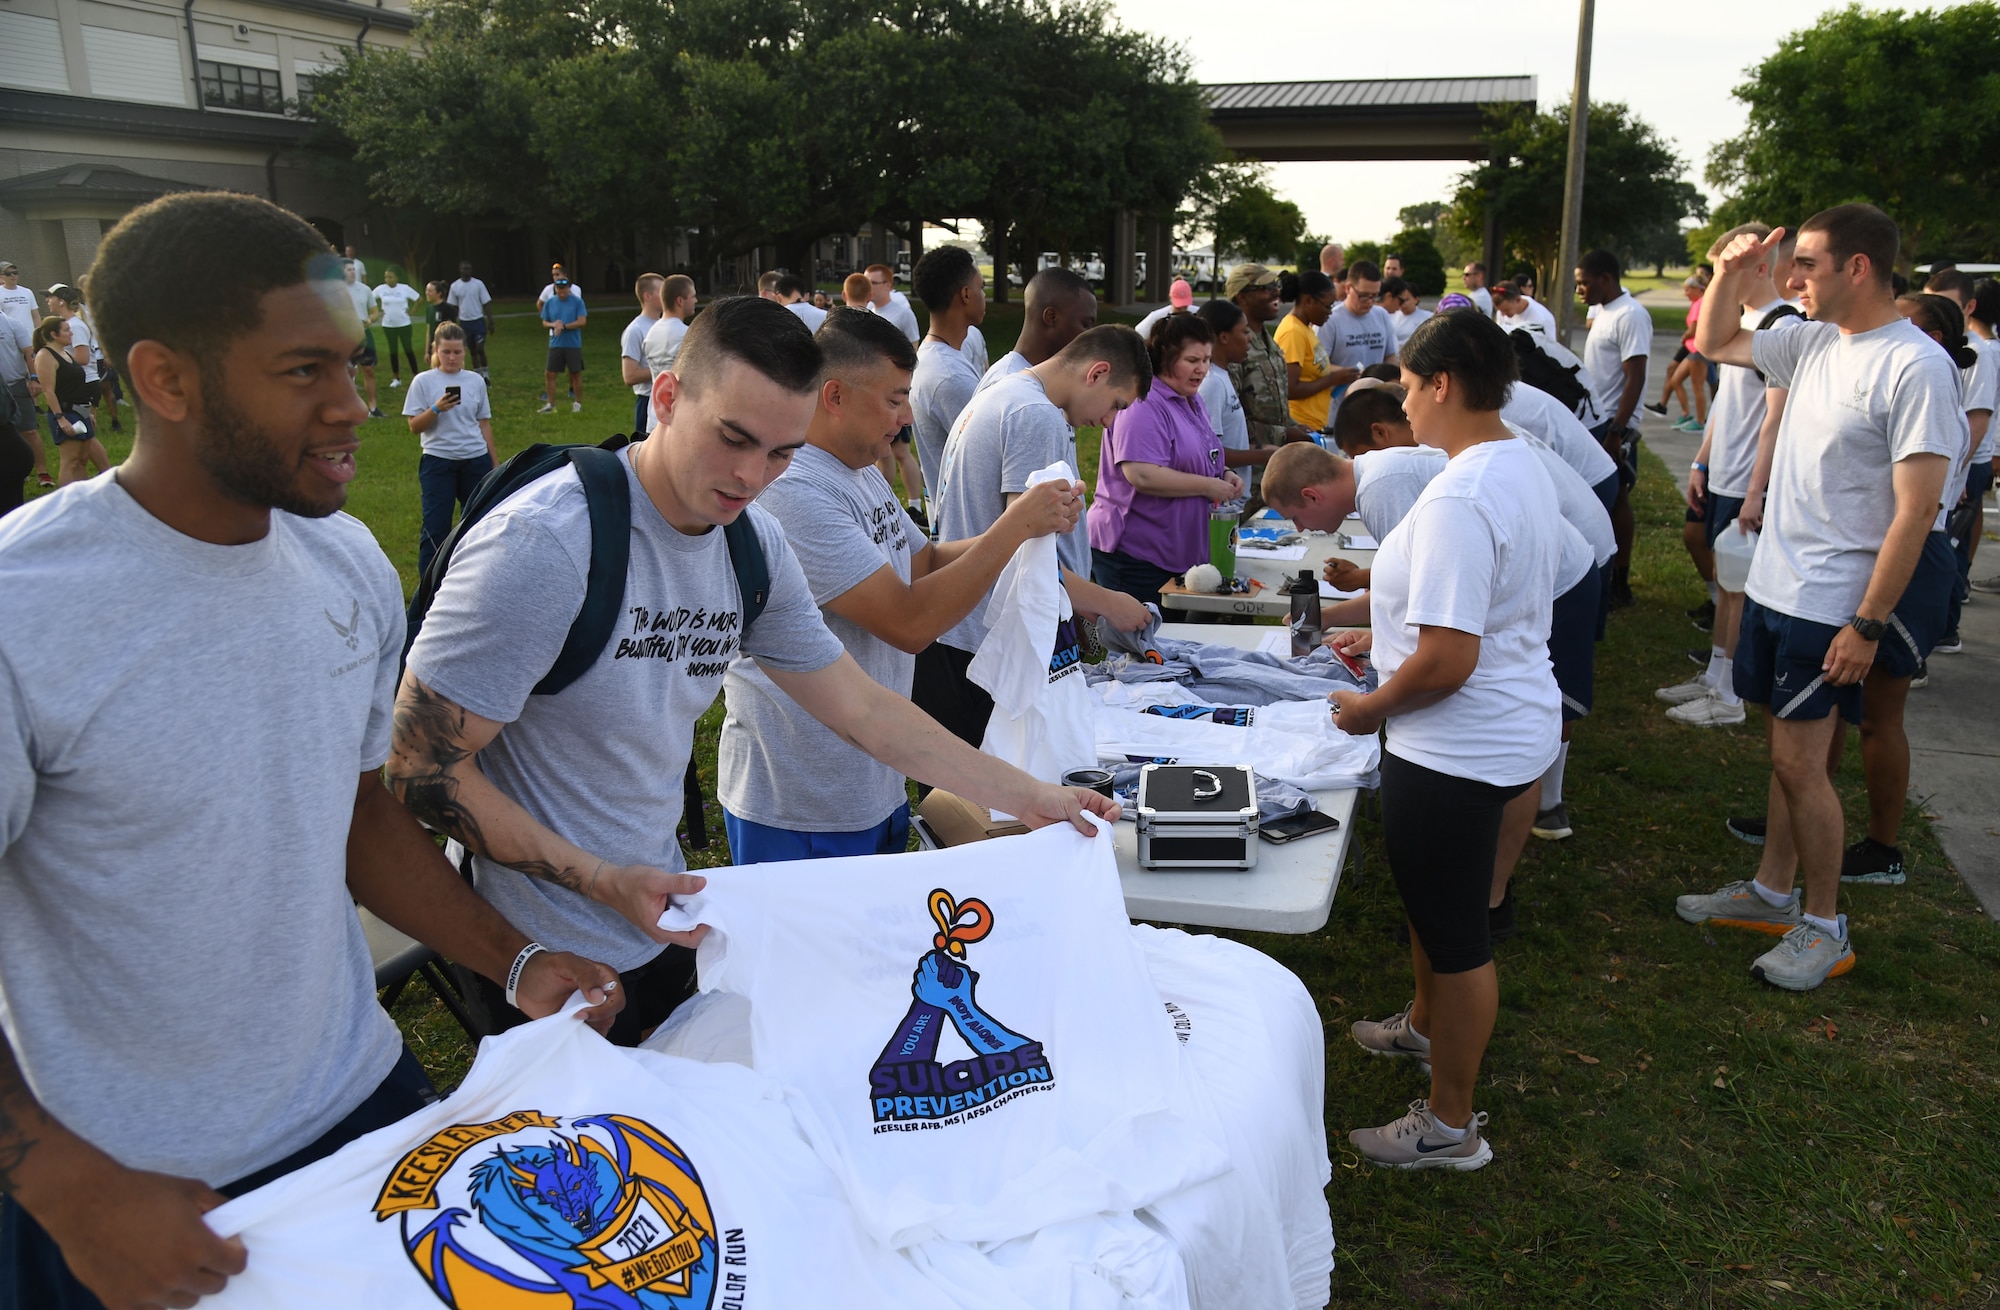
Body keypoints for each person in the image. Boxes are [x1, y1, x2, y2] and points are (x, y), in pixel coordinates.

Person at [0, 190, 621, 1310]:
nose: (353, 407)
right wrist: (63, 1184)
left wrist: (512, 956)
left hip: (361, 1098)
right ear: (165, 379)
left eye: (348, 364)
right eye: (303, 373)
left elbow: (358, 815)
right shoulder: (24, 609)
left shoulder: (346, 562)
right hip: (130, 1186)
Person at [390, 296, 1118, 1040]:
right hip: (534, 953)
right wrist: (599, 884)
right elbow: (417, 769)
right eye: (733, 438)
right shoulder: (545, 544)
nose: (751, 476)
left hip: (661, 919)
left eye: (781, 452)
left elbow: (862, 709)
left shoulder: (752, 543)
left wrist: (1032, 798)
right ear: (666, 398)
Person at [1678, 208, 1957, 991]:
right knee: (1784, 754)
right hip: (1776, 581)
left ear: (1859, 268)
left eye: (1805, 264)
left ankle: (1825, 925)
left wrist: (1866, 623)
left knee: (1802, 765)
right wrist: (1734, 264)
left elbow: (1917, 511)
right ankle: (1771, 891)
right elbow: (1715, 343)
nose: (1792, 279)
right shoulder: (1811, 341)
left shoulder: (1913, 366)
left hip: (1831, 600)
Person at [718, 309, 1088, 862]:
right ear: (835, 395)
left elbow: (923, 561)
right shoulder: (796, 492)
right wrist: (1016, 525)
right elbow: (908, 623)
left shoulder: (860, 467)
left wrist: (1026, 531)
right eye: (893, 399)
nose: (906, 416)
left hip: (876, 773)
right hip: (802, 800)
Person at [1327, 309, 1563, 1170]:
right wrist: (1384, 634)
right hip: (1499, 728)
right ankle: (1426, 1028)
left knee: (1458, 933)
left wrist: (1371, 706)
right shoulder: (1511, 458)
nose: (1396, 400)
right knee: (1438, 907)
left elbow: (1450, 658)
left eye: (1405, 381)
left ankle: (1449, 1126)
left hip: (1456, 746)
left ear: (1444, 384)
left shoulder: (1465, 491)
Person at [921, 325, 1154, 745]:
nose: (1108, 422)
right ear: (1097, 372)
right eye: (1116, 405)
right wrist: (1109, 603)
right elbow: (1024, 558)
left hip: (955, 629)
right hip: (986, 645)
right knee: (989, 802)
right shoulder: (1037, 416)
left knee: (955, 796)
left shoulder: (1004, 389)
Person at [1659, 222, 1799, 729]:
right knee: (1725, 581)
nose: (1719, 285)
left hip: (1748, 483)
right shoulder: (1739, 323)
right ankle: (1716, 676)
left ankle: (1731, 695)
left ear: (1760, 268)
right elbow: (1723, 404)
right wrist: (1701, 459)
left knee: (1738, 590)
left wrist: (1756, 491)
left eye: (1728, 273)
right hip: (1723, 474)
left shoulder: (1782, 327)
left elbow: (1775, 420)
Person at [1086, 314, 1243, 606]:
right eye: (1193, 360)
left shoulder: (1190, 398)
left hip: (1175, 551)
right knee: (1138, 647)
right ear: (1166, 357)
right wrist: (1208, 486)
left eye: (1207, 360)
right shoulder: (1144, 403)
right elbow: (1141, 474)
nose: (1202, 369)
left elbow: (1201, 454)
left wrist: (1225, 473)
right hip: (1136, 555)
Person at [1908, 268, 1995, 653]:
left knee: (1950, 547)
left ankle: (1943, 628)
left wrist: (1954, 480)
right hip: (1941, 479)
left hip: (1958, 473)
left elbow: (1977, 419)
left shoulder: (1976, 358)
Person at [1575, 248, 1653, 608]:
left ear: (1605, 278)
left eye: (1584, 283)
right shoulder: (1601, 310)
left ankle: (1621, 583)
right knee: (1597, 498)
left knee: (1618, 496)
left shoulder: (1631, 314)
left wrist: (1618, 431)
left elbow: (1635, 376)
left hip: (1614, 423)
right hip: (1596, 418)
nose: (1580, 290)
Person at [404, 321, 497, 579]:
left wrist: (494, 464)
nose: (452, 357)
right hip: (438, 461)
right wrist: (436, 409)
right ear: (435, 349)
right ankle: (430, 587)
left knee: (479, 525)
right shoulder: (423, 381)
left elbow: (484, 424)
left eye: (457, 352)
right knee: (436, 528)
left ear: (465, 351)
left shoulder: (475, 381)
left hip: (474, 459)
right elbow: (413, 426)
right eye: (446, 352)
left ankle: (476, 579)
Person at [909, 245, 987, 503]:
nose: (983, 295)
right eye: (981, 287)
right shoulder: (949, 377)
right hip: (969, 527)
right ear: (966, 294)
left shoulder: (935, 359)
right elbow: (987, 457)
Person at [1226, 262, 1314, 456]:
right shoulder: (1232, 348)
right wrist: (1285, 434)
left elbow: (1276, 408)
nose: (1276, 292)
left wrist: (1296, 427)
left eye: (1276, 286)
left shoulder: (1270, 344)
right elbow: (1230, 420)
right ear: (1242, 297)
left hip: (1277, 462)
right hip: (1249, 469)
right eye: (1266, 288)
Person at [1194, 297, 1272, 502]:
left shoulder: (1221, 376)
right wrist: (1263, 456)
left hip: (1233, 498)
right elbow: (1210, 453)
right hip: (1221, 502)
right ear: (1224, 337)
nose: (1250, 338)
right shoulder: (1212, 384)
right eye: (1245, 331)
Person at [975, 265, 1097, 395]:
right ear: (1051, 317)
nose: (1091, 335)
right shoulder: (1009, 386)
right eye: (1086, 324)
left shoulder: (1044, 380)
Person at [31, 316, 110, 486]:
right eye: (66, 330)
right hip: (66, 413)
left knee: (82, 460)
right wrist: (60, 418)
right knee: (71, 461)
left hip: (81, 412)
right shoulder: (45, 356)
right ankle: (66, 501)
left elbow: (77, 385)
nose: (71, 333)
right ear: (53, 334)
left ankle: (81, 498)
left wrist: (88, 413)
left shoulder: (66, 353)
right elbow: (48, 391)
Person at [1960, 278, 2000, 604]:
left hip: (1981, 450)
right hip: (1985, 449)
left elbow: (1987, 411)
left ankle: (1960, 581)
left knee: (1966, 519)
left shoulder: (1982, 353)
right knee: (1974, 516)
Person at [1316, 259, 1400, 414]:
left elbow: (1390, 356)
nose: (1369, 302)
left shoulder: (1381, 315)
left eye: (1374, 296)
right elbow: (1317, 365)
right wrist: (1349, 373)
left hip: (1376, 404)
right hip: (1339, 407)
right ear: (1348, 288)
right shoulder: (1330, 320)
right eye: (1363, 296)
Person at [1274, 269, 1340, 432]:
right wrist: (1332, 380)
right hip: (1300, 426)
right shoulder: (1293, 332)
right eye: (1327, 306)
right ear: (1309, 301)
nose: (1330, 312)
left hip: (1314, 425)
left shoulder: (1306, 328)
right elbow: (1290, 389)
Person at [1645, 276, 1710, 433]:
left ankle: (1701, 422)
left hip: (1697, 349)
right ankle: (1686, 414)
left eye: (1688, 289)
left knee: (1697, 387)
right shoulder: (1697, 303)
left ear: (1698, 289)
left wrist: (1684, 337)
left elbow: (1694, 329)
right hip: (1692, 349)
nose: (1685, 293)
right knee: (1675, 380)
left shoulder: (1700, 303)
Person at [640, 275, 698, 434]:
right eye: (693, 296)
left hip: (654, 414)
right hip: (678, 418)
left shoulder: (651, 333)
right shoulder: (686, 335)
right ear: (680, 300)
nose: (696, 300)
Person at [0, 296, 47, 490]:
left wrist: (34, 378)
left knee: (28, 430)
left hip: (16, 384)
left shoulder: (11, 324)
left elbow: (29, 352)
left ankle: (42, 472)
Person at [622, 272, 667, 436]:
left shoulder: (664, 326)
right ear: (647, 296)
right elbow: (629, 376)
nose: (666, 296)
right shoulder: (635, 330)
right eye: (662, 291)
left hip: (667, 398)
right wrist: (665, 368)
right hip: (647, 400)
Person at [539, 276, 587, 414]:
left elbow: (582, 321)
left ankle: (577, 403)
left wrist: (565, 326)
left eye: (564, 289)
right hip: (555, 343)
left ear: (568, 289)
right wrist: (553, 324)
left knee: (575, 373)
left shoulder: (577, 302)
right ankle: (550, 403)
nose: (562, 292)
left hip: (572, 344)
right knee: (550, 373)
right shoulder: (550, 302)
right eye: (559, 290)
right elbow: (544, 322)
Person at [342, 258, 383, 418]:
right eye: (348, 269)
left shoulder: (365, 290)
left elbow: (374, 312)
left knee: (369, 370)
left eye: (353, 269)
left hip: (364, 334)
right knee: (346, 372)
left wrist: (370, 320)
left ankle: (373, 408)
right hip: (344, 336)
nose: (352, 272)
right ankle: (348, 406)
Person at [371, 269, 422, 387]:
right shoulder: (381, 289)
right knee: (393, 351)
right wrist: (377, 312)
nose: (388, 279)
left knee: (408, 350)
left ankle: (417, 376)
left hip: (404, 324)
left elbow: (419, 299)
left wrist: (413, 311)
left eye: (390, 277)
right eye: (386, 277)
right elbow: (370, 299)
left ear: (397, 278)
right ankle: (396, 378)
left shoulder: (404, 288)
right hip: (388, 325)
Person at [448, 260, 494, 375]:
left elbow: (486, 303)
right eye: (465, 268)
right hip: (464, 322)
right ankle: (477, 374)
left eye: (469, 268)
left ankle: (486, 375)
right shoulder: (455, 286)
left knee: (480, 348)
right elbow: (454, 307)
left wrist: (491, 321)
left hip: (478, 321)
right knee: (472, 351)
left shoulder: (478, 284)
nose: (467, 271)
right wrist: (453, 324)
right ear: (460, 270)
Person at [866, 262, 921, 342]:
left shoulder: (904, 314)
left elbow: (913, 347)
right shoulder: (866, 313)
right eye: (865, 283)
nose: (867, 288)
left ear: (888, 285)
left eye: (873, 283)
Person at [1383, 277, 1433, 352]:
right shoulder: (1390, 317)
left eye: (1405, 300)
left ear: (1416, 299)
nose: (1402, 304)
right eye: (1400, 300)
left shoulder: (1429, 317)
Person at [421, 278, 459, 361]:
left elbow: (453, 330)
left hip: (444, 347)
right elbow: (429, 330)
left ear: (439, 293)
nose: (427, 293)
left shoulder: (448, 308)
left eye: (430, 291)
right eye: (426, 290)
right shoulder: (429, 309)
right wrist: (427, 351)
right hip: (433, 347)